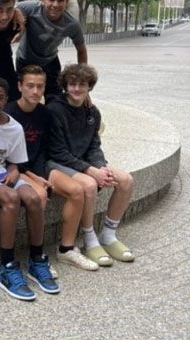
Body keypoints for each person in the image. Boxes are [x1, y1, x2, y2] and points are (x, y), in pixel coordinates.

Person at [0, 76, 59, 301]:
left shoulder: (14, 128)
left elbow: (14, 161)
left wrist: (15, 170)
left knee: (34, 198)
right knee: (11, 198)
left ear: (7, 99)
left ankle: (37, 259)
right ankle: (7, 265)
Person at [5, 65, 98, 272]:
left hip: (39, 167)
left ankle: (66, 249)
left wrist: (40, 174)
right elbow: (4, 158)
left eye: (40, 86)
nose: (35, 91)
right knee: (39, 195)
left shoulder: (45, 114)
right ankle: (36, 257)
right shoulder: (8, 113)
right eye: (30, 86)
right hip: (13, 169)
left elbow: (43, 150)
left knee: (77, 190)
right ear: (20, 86)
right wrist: (33, 177)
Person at [46, 64, 135, 266]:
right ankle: (89, 238)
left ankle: (108, 235)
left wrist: (101, 167)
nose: (77, 89)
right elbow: (57, 152)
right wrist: (91, 171)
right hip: (58, 163)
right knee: (89, 184)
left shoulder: (92, 112)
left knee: (126, 180)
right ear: (65, 86)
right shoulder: (55, 110)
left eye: (82, 84)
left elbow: (94, 145)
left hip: (85, 163)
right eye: (72, 84)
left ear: (89, 87)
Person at [15, 0, 87, 102]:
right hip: (25, 59)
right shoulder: (30, 9)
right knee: (27, 98)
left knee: (56, 99)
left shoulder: (72, 24)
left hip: (50, 61)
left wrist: (82, 80)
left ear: (67, 1)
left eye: (60, 0)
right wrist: (20, 23)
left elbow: (81, 50)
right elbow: (11, 7)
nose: (55, 5)